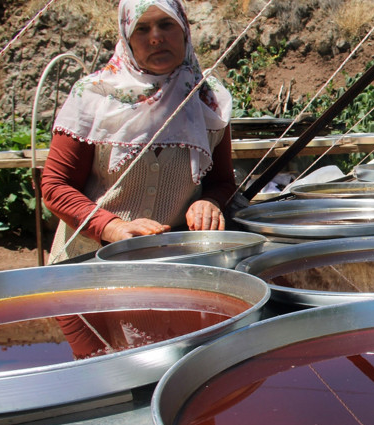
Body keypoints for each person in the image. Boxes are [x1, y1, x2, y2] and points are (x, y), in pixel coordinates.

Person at [41, 0, 235, 263]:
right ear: (127, 39)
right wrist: (111, 227)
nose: (156, 37)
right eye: (142, 29)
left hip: (174, 263)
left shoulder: (207, 99)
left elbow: (222, 182)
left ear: (184, 31)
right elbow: (55, 186)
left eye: (166, 24)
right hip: (89, 263)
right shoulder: (94, 96)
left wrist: (210, 202)